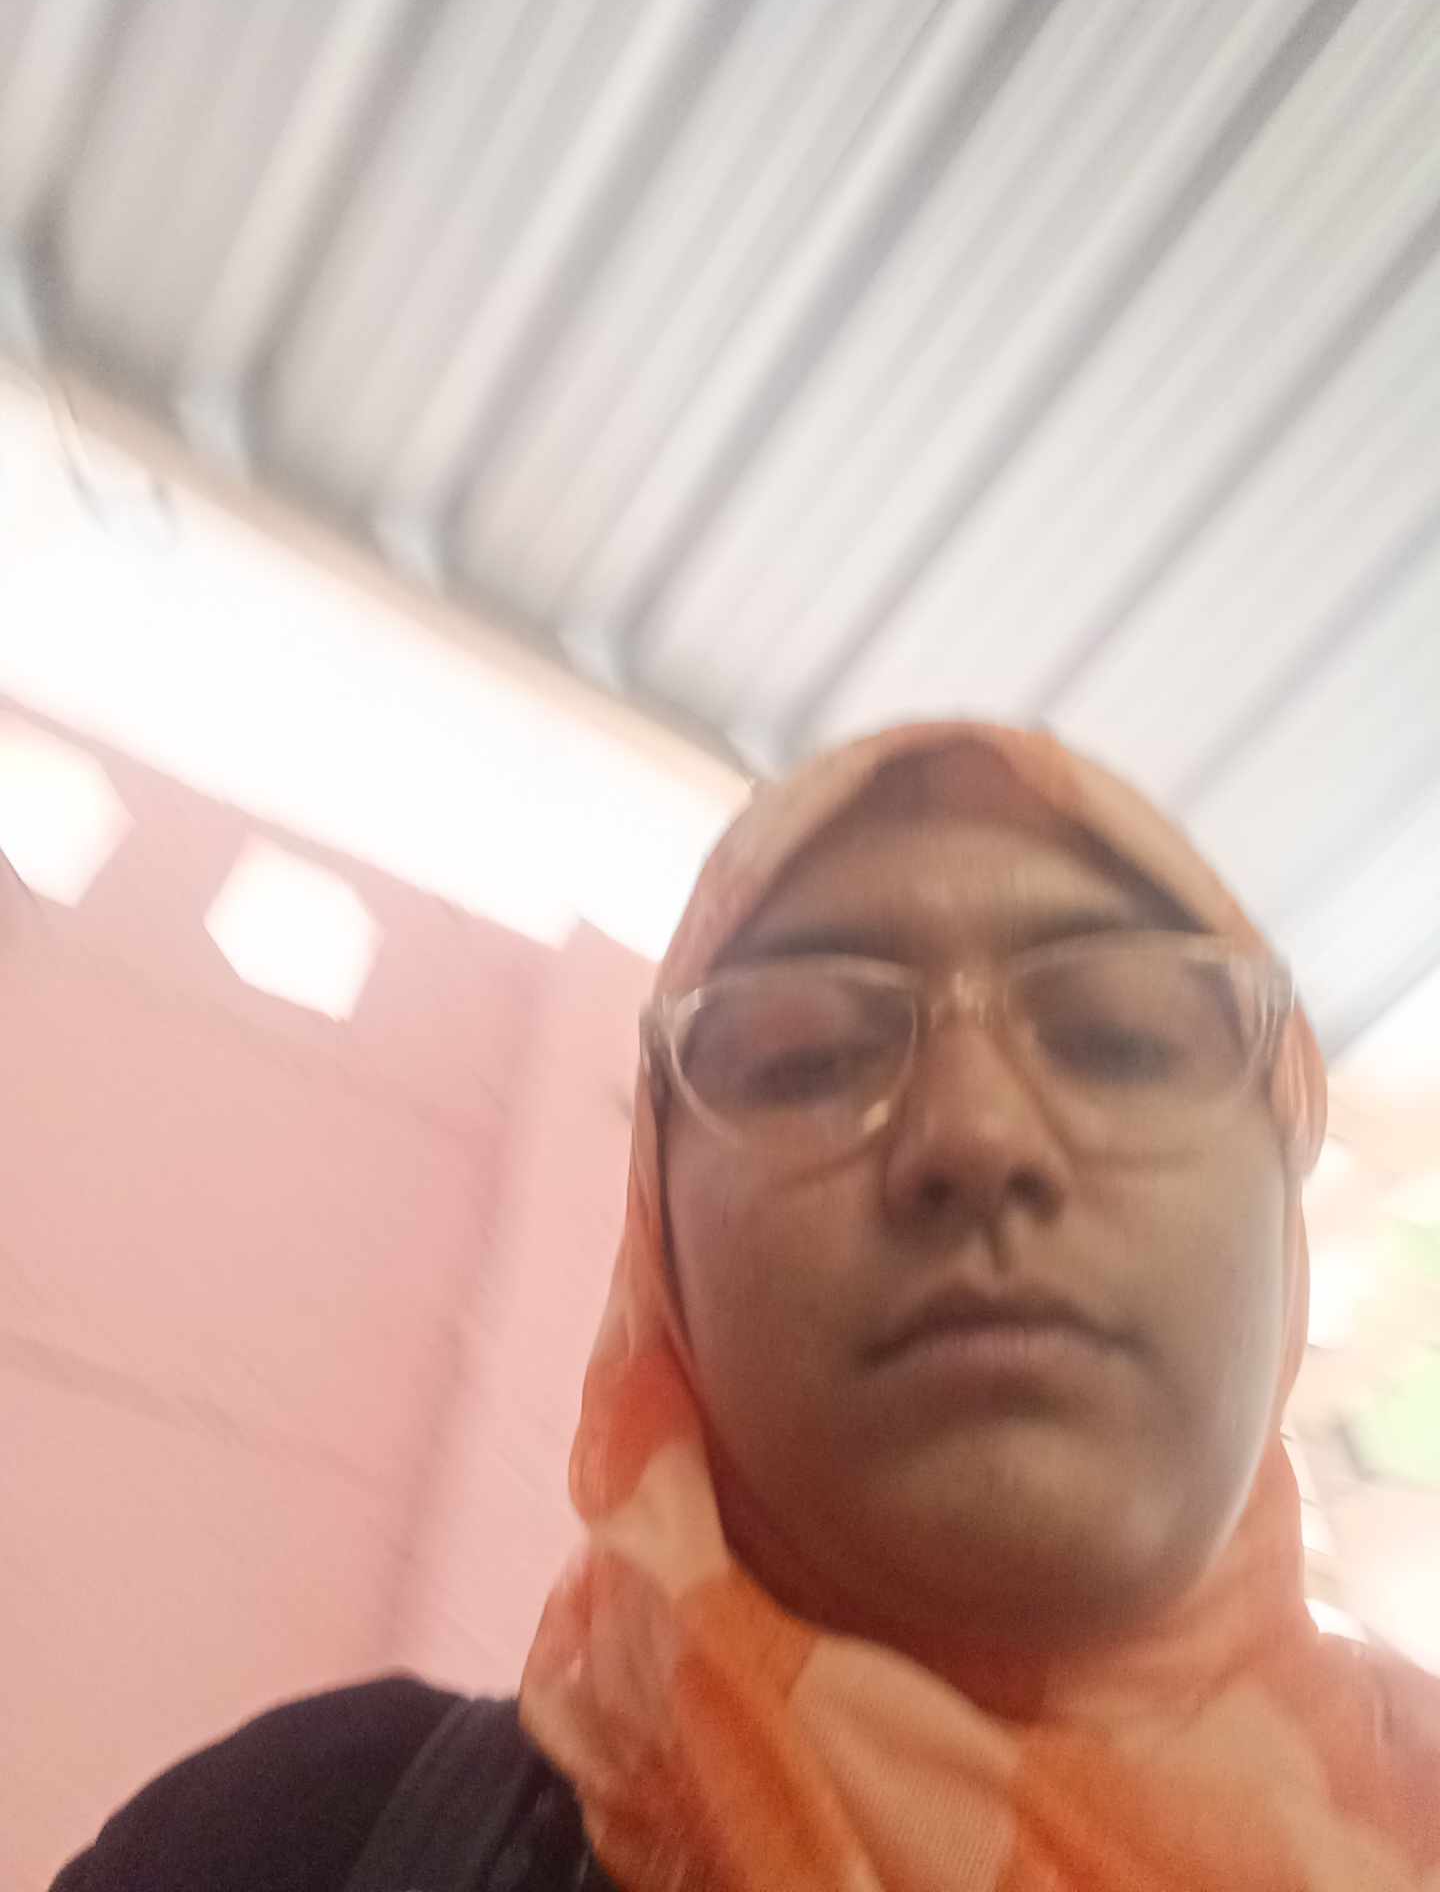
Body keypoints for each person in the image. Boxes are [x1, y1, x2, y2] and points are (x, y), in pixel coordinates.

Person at [55, 720, 1440, 1890]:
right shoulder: (301, 1838)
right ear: (660, 1250)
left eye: (1121, 1041)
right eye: (805, 1057)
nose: (975, 1132)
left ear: (1283, 1205)